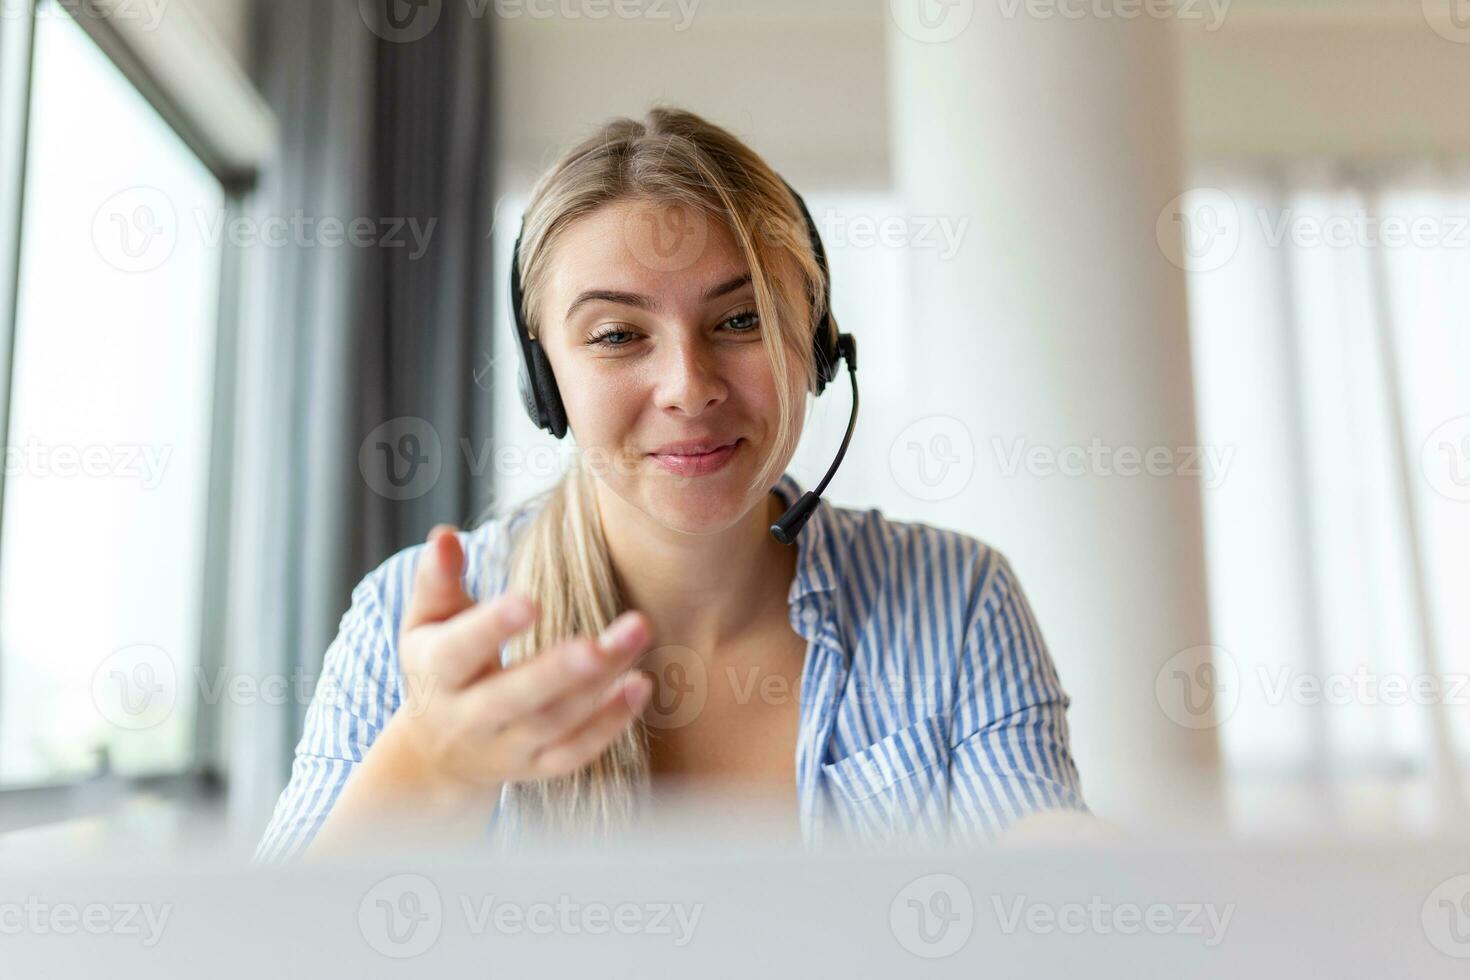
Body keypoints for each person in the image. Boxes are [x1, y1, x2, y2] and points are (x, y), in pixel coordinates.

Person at [253, 105, 1086, 864]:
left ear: (818, 345)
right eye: (617, 334)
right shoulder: (414, 623)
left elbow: (1039, 866)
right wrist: (427, 761)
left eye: (740, 319)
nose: (689, 386)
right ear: (545, 386)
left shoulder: (957, 599)